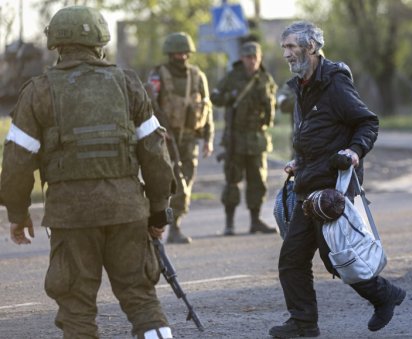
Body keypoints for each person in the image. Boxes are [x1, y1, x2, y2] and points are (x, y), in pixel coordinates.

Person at [0, 6, 176, 338]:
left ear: (56, 44)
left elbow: (16, 163)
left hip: (71, 216)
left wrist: (18, 213)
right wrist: (158, 213)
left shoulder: (37, 91)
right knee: (142, 300)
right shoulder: (128, 83)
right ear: (100, 41)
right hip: (127, 211)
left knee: (77, 309)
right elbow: (155, 155)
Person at [269, 21, 406, 338]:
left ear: (311, 47)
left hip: (332, 189)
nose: (286, 54)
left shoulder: (334, 83)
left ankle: (385, 296)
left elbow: (367, 123)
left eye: (291, 47)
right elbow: (314, 134)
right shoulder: (302, 85)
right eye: (284, 47)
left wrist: (355, 152)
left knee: (337, 260)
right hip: (307, 183)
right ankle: (303, 322)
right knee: (292, 260)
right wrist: (299, 161)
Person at [146, 32, 214, 244]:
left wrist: (208, 138)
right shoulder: (158, 75)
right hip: (166, 138)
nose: (181, 56)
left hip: (189, 139)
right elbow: (148, 106)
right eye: (177, 52)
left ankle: (176, 225)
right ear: (170, 53)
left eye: (185, 52)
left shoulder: (197, 75)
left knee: (187, 180)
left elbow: (207, 108)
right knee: (171, 183)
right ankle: (162, 226)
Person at [211, 41, 277, 236]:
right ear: (242, 58)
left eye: (255, 57)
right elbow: (215, 97)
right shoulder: (232, 77)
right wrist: (230, 96)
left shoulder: (265, 78)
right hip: (235, 138)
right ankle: (229, 223)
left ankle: (255, 221)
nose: (252, 61)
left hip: (257, 138)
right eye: (248, 57)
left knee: (258, 181)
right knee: (232, 180)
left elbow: (272, 104)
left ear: (260, 58)